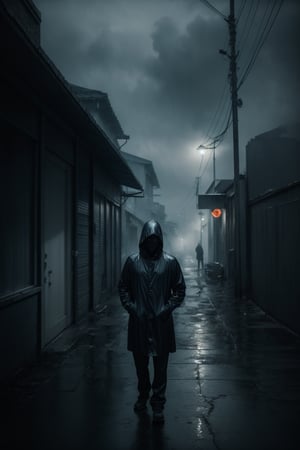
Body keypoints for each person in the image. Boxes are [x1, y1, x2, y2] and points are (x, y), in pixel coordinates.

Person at [118, 219, 186, 424]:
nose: (152, 243)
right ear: (143, 239)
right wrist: (132, 308)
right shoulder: (132, 262)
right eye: (149, 239)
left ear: (160, 240)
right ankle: (142, 395)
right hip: (139, 323)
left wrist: (166, 309)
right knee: (140, 365)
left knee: (161, 367)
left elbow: (180, 289)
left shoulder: (170, 262)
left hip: (161, 324)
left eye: (155, 239)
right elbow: (123, 288)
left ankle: (158, 403)